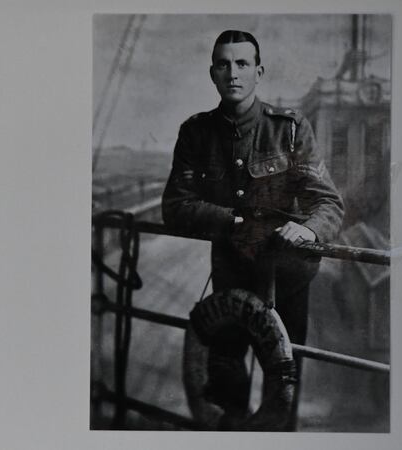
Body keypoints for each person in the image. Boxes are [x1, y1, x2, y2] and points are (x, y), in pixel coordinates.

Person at [161, 29, 344, 430]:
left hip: (288, 277)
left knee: (282, 384)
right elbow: (176, 206)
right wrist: (235, 221)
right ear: (212, 73)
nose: (233, 73)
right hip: (230, 274)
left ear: (258, 72)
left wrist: (311, 231)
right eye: (224, 65)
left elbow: (327, 202)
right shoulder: (197, 132)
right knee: (226, 382)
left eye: (242, 64)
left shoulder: (290, 129)